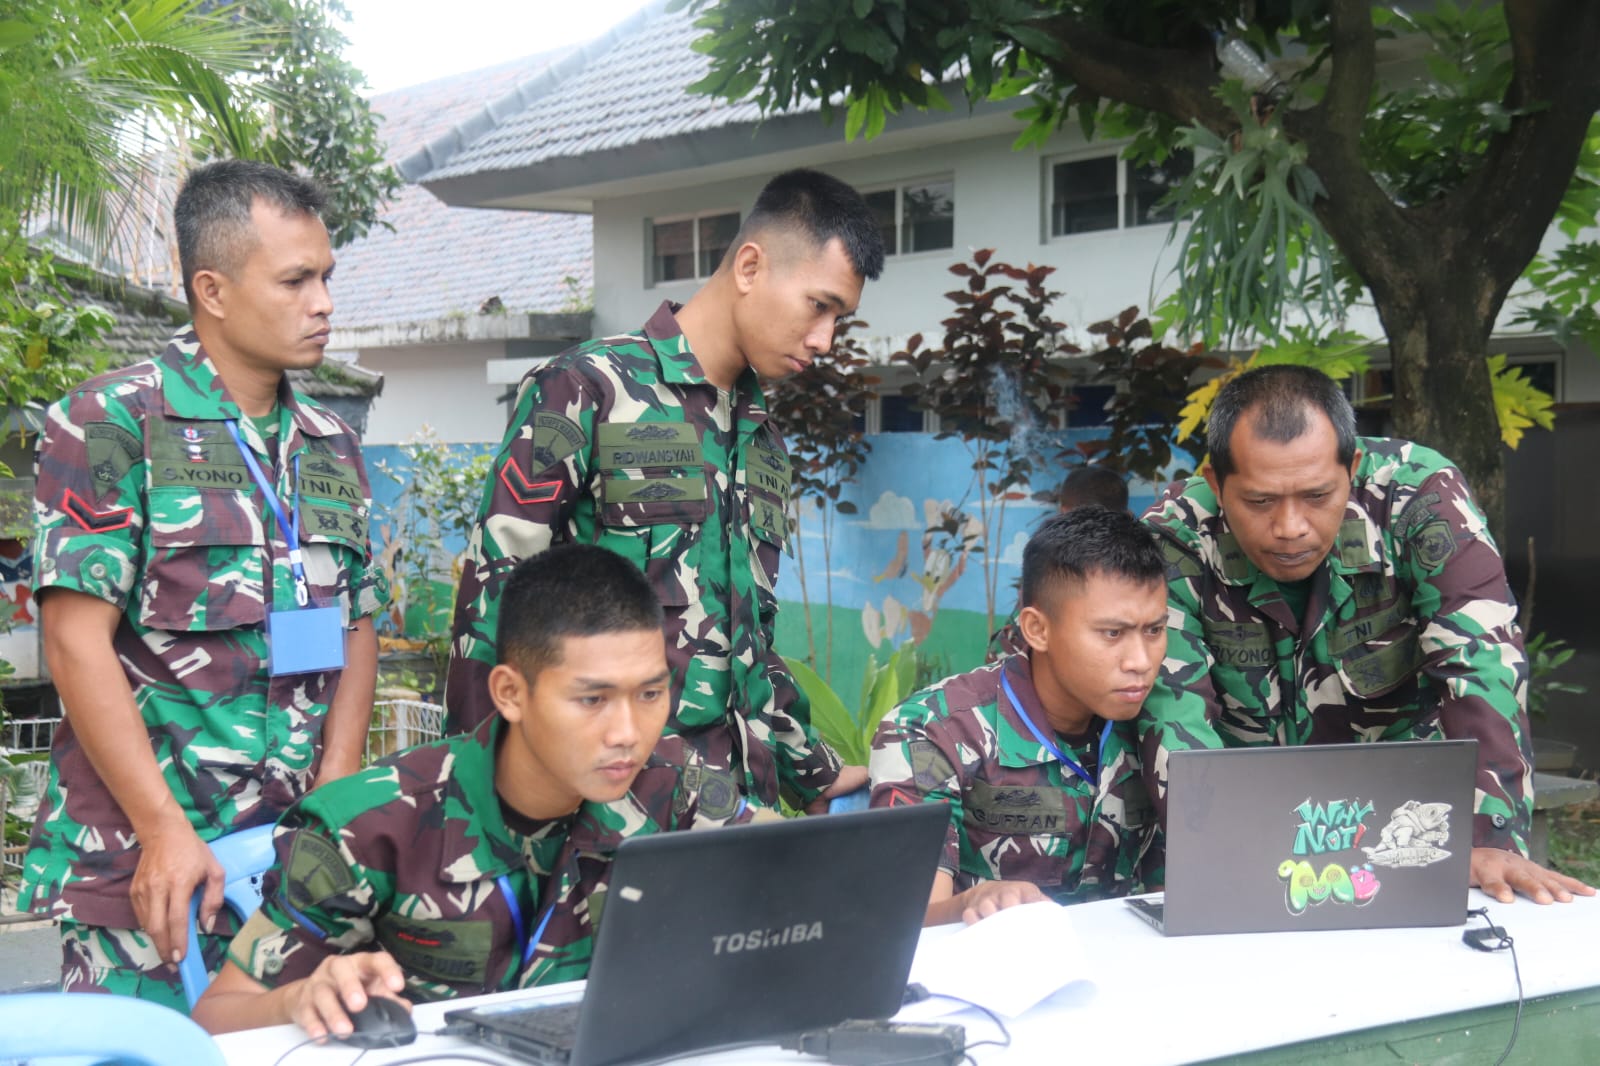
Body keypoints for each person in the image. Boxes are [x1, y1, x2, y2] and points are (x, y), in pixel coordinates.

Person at [18, 160, 387, 1008]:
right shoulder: (112, 421)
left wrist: (336, 790)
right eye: (295, 280)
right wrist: (162, 829)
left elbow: (357, 622)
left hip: (290, 871)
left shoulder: (330, 442)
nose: (323, 303)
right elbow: (74, 641)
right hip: (146, 872)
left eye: (327, 277)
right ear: (212, 291)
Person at [445, 168, 883, 812]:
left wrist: (811, 771)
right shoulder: (589, 388)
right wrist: (480, 807)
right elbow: (494, 598)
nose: (825, 339)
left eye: (840, 318)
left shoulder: (760, 436)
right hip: (607, 812)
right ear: (751, 266)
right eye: (819, 306)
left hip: (733, 812)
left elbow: (749, 638)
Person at [192, 545, 749, 1039]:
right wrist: (297, 1000)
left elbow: (783, 870)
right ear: (510, 693)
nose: (627, 733)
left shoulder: (676, 788)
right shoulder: (370, 827)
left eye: (650, 694)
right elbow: (216, 1017)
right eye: (592, 700)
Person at [1139, 365, 1594, 905]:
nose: (1290, 527)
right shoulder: (1178, 534)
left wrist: (1488, 838)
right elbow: (1173, 708)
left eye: (1316, 496)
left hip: (1408, 820)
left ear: (1352, 468)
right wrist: (1215, 859)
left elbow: (1480, 661)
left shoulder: (1419, 497)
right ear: (1217, 484)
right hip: (1246, 817)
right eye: (1260, 502)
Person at [870, 508, 1166, 926]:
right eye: (1112, 633)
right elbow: (908, 922)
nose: (1140, 661)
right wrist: (976, 901)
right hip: (986, 961)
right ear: (1037, 629)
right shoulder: (932, 731)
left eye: (1154, 630)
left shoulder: (1165, 722)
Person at [987, 464, 1130, 661]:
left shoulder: (1050, 570)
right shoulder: (1144, 570)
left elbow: (1002, 654)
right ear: (1127, 516)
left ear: (1064, 513)